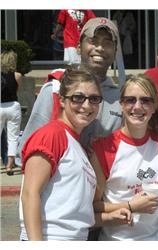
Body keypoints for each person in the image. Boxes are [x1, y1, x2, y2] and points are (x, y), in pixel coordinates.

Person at [17, 17, 125, 165]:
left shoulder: (122, 99)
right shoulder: (55, 89)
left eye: (107, 43)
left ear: (115, 51)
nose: (100, 48)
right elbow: (28, 148)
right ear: (79, 47)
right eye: (93, 41)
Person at [19, 67, 104, 240]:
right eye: (78, 98)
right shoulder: (52, 134)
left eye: (94, 99)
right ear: (62, 100)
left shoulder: (76, 144)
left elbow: (74, 213)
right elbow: (30, 194)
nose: (87, 105)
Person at [90, 74, 158, 240]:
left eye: (145, 100)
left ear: (154, 107)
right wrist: (131, 206)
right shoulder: (104, 148)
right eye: (130, 100)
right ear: (121, 105)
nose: (137, 106)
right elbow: (93, 206)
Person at [0, 51, 22, 176]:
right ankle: (9, 165)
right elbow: (16, 91)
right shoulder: (17, 75)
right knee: (13, 138)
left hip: (0, 106)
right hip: (13, 106)